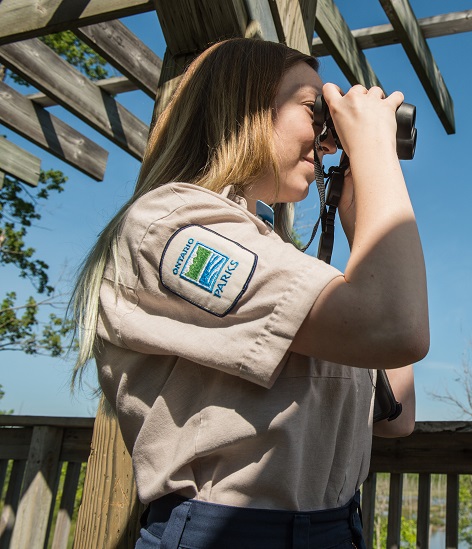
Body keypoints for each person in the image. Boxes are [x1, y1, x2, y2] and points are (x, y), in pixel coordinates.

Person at [69, 38, 429, 549]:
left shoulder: (281, 264)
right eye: (315, 112)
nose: (329, 141)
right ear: (246, 109)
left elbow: (396, 416)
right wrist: (374, 151)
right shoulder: (171, 227)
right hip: (226, 534)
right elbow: (398, 327)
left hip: (336, 528)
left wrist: (361, 227)